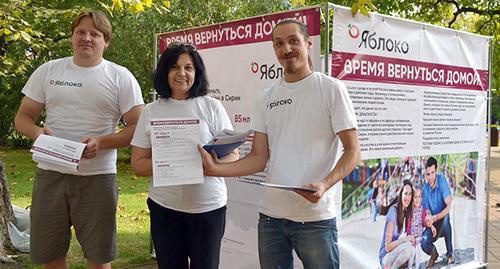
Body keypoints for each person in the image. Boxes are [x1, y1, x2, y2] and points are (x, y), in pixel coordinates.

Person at [199, 18, 360, 268]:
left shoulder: (331, 89)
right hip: (271, 218)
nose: (286, 49)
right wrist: (215, 169)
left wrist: (324, 184)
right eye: (279, 43)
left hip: (315, 218)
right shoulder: (265, 98)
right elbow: (258, 157)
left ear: (308, 44)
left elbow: (352, 151)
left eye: (294, 41)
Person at [14, 10, 144, 269]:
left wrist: (102, 142)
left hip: (97, 179)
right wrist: (37, 132)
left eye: (95, 34)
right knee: (50, 256)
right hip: (50, 174)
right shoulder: (49, 70)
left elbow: (138, 128)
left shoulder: (120, 77)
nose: (87, 38)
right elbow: (23, 118)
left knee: (98, 258)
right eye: (80, 32)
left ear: (105, 41)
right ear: (72, 37)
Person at [130, 42, 239, 269]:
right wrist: (172, 164)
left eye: (188, 67)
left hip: (208, 208)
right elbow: (138, 165)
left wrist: (210, 166)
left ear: (196, 72)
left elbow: (233, 156)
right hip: (165, 208)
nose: (182, 73)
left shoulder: (212, 107)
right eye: (174, 67)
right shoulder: (151, 111)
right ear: (164, 72)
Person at [421, 156, 454, 267]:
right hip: (434, 224)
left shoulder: (442, 180)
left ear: (436, 171)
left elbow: (448, 206)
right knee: (424, 240)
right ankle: (434, 253)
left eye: (432, 173)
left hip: (443, 220)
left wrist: (435, 217)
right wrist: (430, 223)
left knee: (446, 220)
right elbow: (427, 211)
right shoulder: (425, 189)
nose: (430, 177)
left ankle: (450, 253)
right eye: (427, 174)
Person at [378, 180, 415, 269]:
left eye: (410, 194)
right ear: (400, 194)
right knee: (408, 249)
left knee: (412, 251)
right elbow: (387, 247)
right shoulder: (393, 212)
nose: (408, 197)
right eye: (406, 193)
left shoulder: (404, 212)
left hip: (392, 255)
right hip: (385, 257)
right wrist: (404, 239)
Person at [406, 188, 436, 269]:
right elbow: (408, 225)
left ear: (421, 198)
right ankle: (409, 266)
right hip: (411, 236)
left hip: (419, 236)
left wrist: (431, 226)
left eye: (419, 197)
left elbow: (425, 222)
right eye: (415, 197)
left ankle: (417, 266)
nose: (417, 199)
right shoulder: (410, 211)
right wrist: (409, 236)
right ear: (412, 198)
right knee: (411, 253)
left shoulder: (422, 210)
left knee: (417, 251)